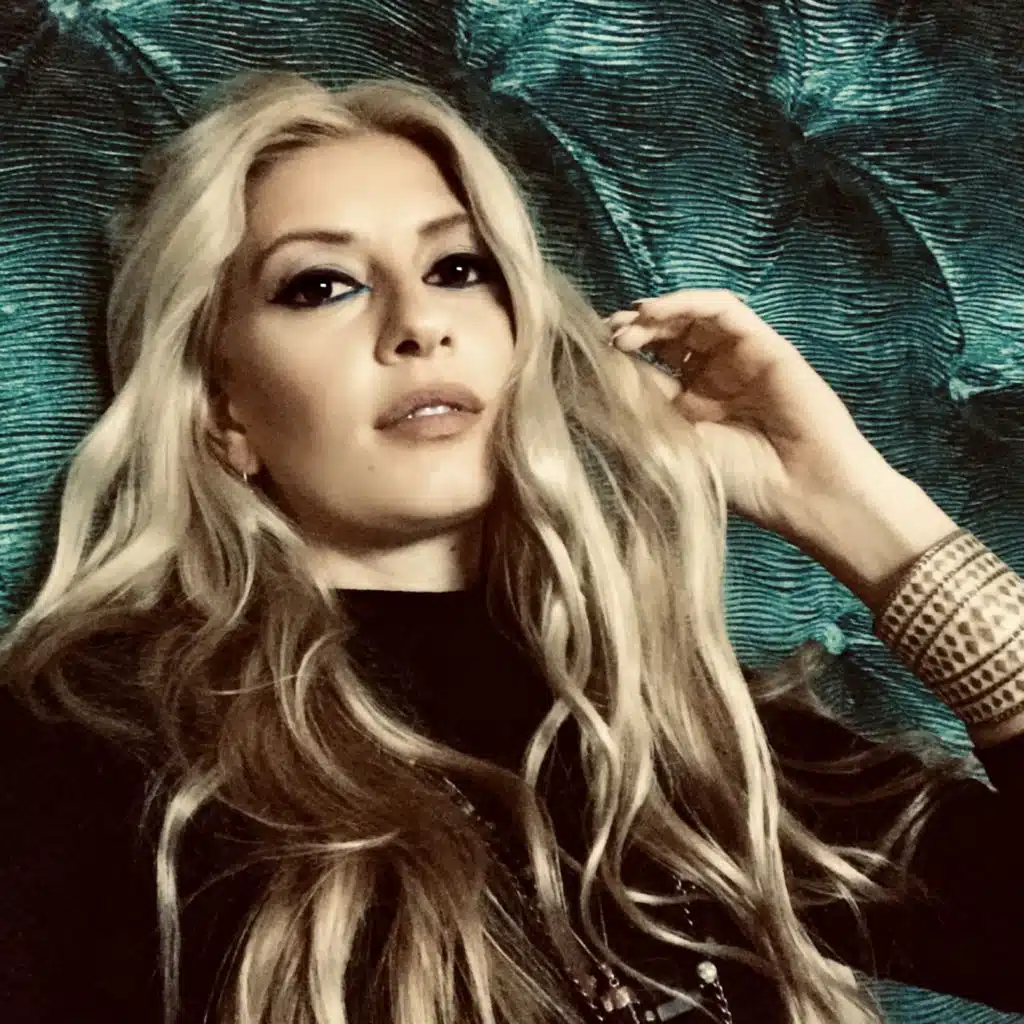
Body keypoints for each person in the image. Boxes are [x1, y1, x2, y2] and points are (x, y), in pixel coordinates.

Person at [0, 69, 1021, 1024]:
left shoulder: (680, 736)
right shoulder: (95, 743)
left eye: (459, 268)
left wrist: (862, 515)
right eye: (320, 285)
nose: (418, 323)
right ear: (223, 412)